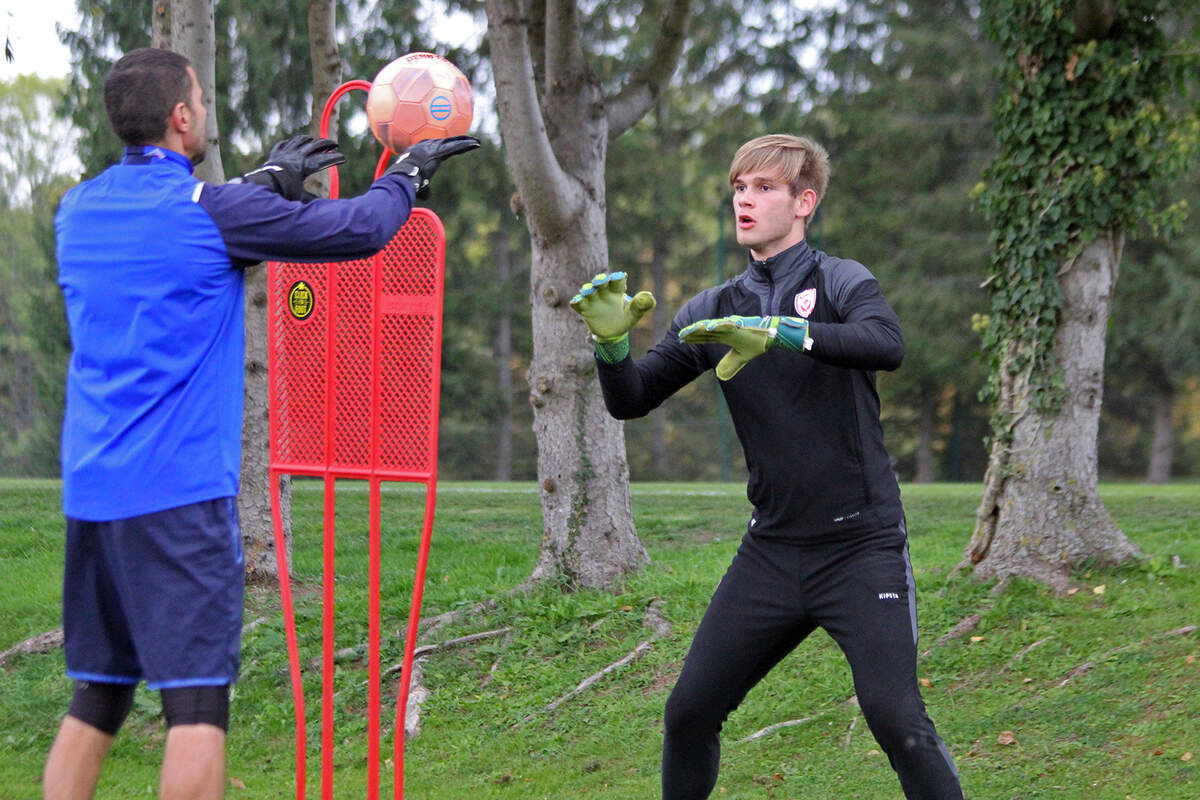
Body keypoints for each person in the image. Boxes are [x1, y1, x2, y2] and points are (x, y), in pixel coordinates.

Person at [44, 47, 478, 800]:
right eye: (201, 103)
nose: (205, 112)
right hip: (176, 496)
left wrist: (265, 183)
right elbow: (359, 231)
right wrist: (407, 174)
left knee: (99, 695)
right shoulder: (212, 214)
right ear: (182, 119)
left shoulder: (77, 210)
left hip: (92, 494)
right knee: (196, 706)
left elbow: (183, 225)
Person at [569, 134, 964, 800]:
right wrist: (611, 348)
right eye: (738, 188)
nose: (746, 201)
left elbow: (886, 344)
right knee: (688, 712)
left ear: (804, 202)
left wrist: (786, 331)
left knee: (898, 720)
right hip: (773, 553)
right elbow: (632, 400)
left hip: (860, 545)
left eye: (765, 188)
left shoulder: (841, 281)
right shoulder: (712, 309)